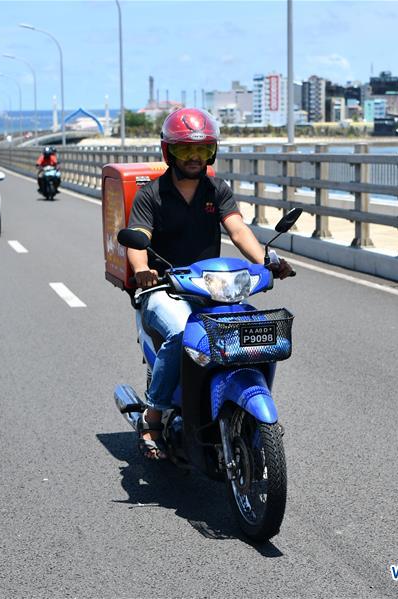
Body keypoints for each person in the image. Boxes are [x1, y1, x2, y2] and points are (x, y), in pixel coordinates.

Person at [125, 107, 293, 460]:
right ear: (169, 152)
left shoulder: (216, 189)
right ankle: (152, 415)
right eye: (186, 150)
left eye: (202, 150)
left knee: (250, 329)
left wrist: (266, 261)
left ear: (212, 152)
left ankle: (238, 404)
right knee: (179, 333)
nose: (194, 158)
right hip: (164, 288)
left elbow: (237, 230)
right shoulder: (151, 195)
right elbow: (136, 241)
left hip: (209, 286)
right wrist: (142, 270)